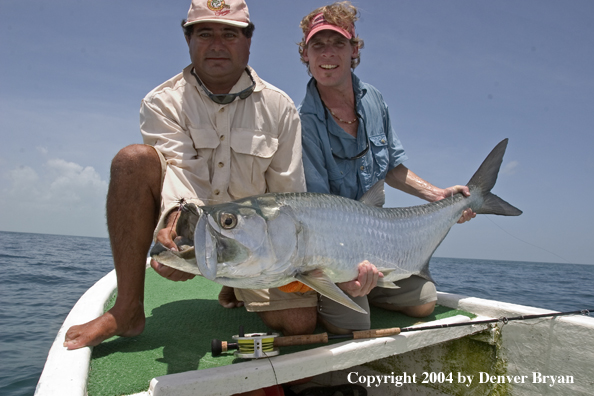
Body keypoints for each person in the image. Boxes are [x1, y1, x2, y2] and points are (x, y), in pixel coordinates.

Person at [63, 0, 318, 351]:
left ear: (248, 41)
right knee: (133, 160)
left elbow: (287, 197)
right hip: (185, 225)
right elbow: (183, 171)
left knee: (299, 322)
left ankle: (235, 282)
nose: (217, 44)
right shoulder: (161, 102)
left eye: (230, 34)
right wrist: (184, 236)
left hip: (252, 243)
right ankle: (127, 310)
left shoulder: (281, 108)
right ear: (188, 39)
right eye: (205, 33)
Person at [297, 1, 476, 334]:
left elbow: (392, 167)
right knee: (354, 323)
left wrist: (439, 196)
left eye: (337, 43)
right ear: (305, 55)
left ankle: (374, 286)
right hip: (333, 252)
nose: (327, 53)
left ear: (354, 50)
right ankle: (334, 296)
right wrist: (345, 278)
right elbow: (317, 214)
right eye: (317, 45)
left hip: (375, 239)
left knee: (424, 301)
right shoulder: (303, 123)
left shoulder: (373, 99)